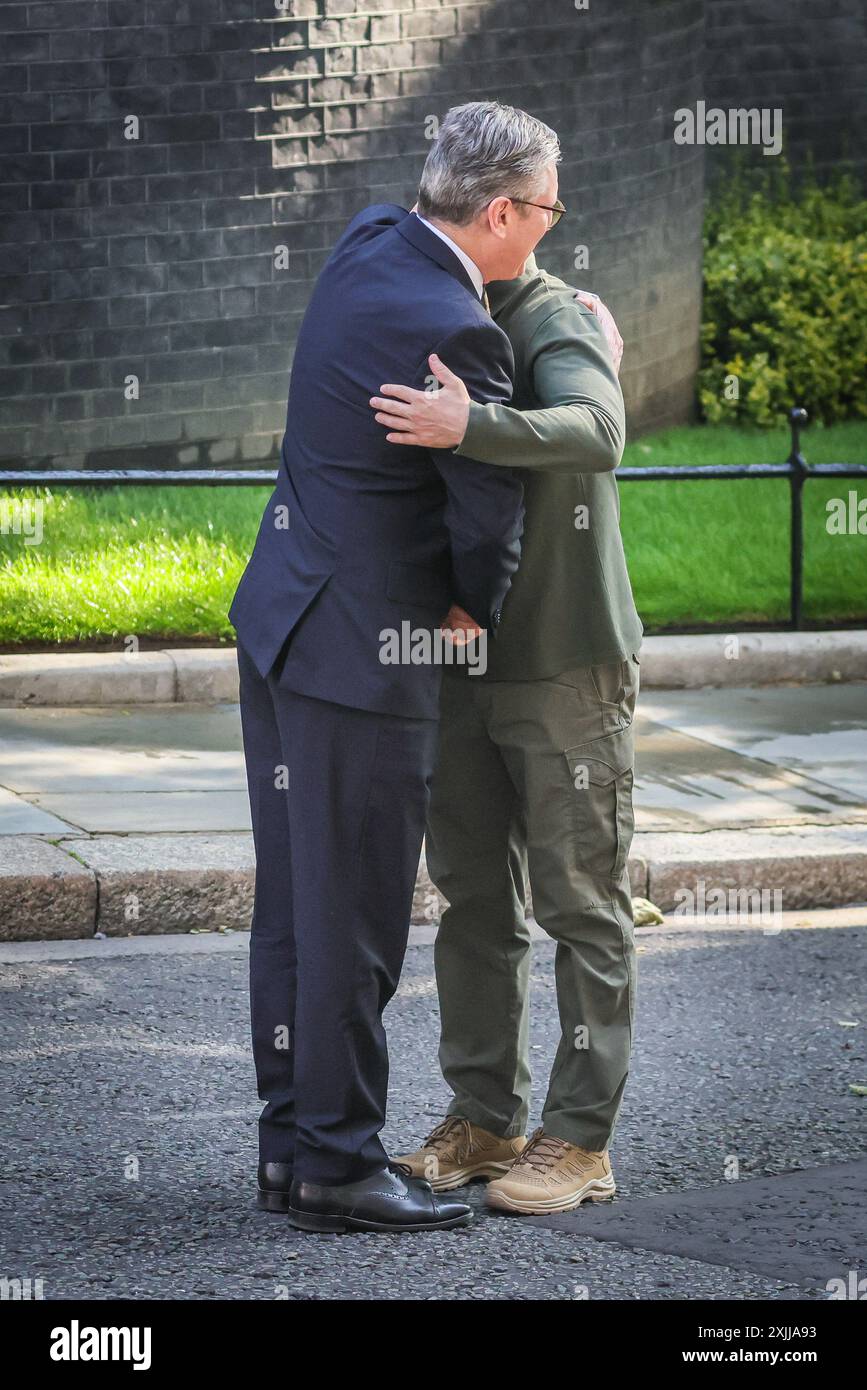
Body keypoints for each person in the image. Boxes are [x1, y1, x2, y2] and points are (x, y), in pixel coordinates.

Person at [229, 101, 562, 1234]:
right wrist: (471, 609)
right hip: (364, 655)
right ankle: (335, 1163)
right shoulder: (460, 332)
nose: (549, 239)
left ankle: (289, 1146)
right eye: (548, 214)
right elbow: (488, 510)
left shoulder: (368, 240)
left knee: (295, 907)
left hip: (281, 619)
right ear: (505, 210)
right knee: (358, 919)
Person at [370, 248, 642, 1214]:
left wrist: (468, 423)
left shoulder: (553, 313)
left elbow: (598, 429)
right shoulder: (430, 308)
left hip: (564, 658)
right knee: (474, 900)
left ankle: (577, 1140)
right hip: (458, 658)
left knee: (579, 902)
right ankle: (485, 1119)